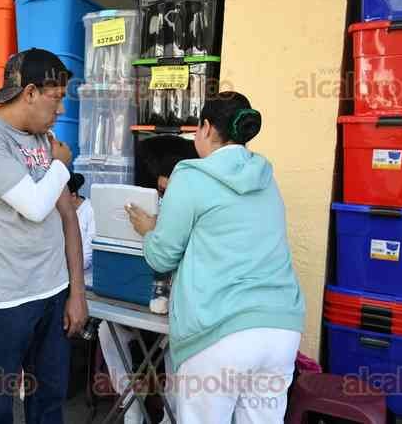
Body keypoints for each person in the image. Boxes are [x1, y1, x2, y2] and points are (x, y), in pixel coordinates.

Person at [126, 91, 306, 424]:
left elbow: (161, 258)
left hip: (220, 333)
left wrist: (149, 231)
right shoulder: (266, 177)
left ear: (206, 128)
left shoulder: (190, 176)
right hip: (280, 329)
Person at [0, 48, 87, 424]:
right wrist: (60, 165)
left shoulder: (44, 139)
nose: (61, 109)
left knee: (49, 403)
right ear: (29, 92)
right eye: (56, 98)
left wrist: (76, 292)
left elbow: (67, 217)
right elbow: (34, 205)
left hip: (53, 294)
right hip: (4, 302)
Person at [97, 153, 186, 424]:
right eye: (160, 191)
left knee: (178, 344)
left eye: (169, 193)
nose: (164, 199)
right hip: (140, 300)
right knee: (106, 330)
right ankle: (131, 405)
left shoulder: (193, 214)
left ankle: (171, 415)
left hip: (178, 313)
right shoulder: (148, 213)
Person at [67, 173, 95, 271]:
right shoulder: (57, 211)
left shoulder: (90, 210)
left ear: (73, 196)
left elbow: (86, 257)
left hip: (81, 272)